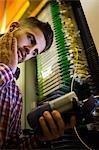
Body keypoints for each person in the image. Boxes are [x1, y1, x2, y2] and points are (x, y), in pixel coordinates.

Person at [0, 17, 76, 149]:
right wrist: (7, 69)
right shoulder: (8, 73)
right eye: (30, 38)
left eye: (35, 52)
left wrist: (40, 138)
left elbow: (10, 146)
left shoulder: (16, 96)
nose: (30, 51)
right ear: (13, 28)